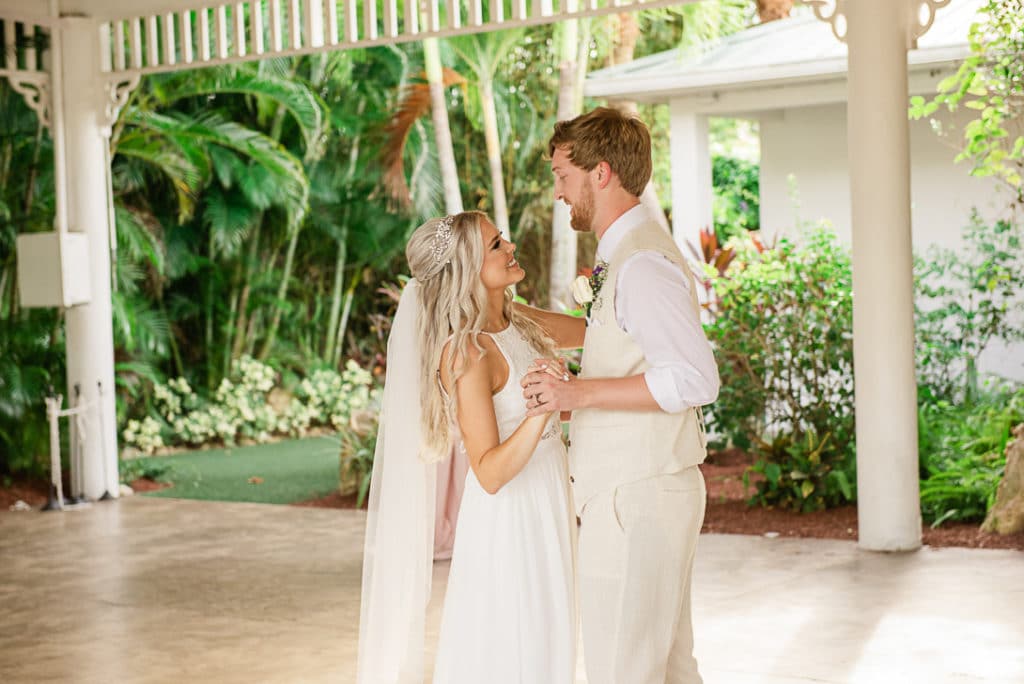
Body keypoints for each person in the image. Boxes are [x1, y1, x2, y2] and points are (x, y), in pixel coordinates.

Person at [520, 107, 721, 684]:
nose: (558, 192)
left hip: (641, 492)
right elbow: (610, 337)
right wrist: (510, 316)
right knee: (665, 665)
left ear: (600, 172)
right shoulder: (624, 255)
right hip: (637, 487)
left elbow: (692, 378)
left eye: (563, 175)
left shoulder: (642, 266)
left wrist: (573, 393)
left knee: (623, 667)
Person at [356, 211, 577, 684]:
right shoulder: (467, 353)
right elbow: (490, 473)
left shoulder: (516, 322)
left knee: (552, 640)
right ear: (468, 267)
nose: (511, 245)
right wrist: (543, 409)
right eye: (497, 244)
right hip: (513, 518)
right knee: (519, 646)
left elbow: (592, 333)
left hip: (548, 499)